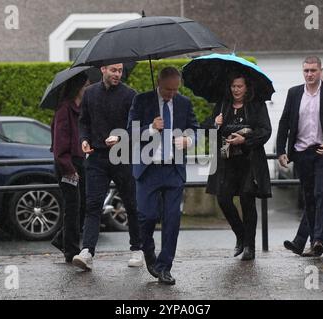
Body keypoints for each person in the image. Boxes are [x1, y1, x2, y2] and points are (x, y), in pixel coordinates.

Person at [127, 67, 199, 285]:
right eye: (168, 89)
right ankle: (149, 253)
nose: (172, 94)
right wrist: (150, 128)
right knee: (146, 217)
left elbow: (194, 128)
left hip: (173, 170)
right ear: (159, 83)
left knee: (172, 220)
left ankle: (164, 267)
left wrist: (189, 140)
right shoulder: (141, 101)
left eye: (176, 89)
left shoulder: (184, 103)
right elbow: (129, 133)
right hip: (148, 170)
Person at [276, 56, 323, 257]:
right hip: (302, 154)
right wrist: (280, 150)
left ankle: (317, 240)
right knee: (311, 197)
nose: (309, 74)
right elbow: (284, 122)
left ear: (320, 71)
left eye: (313, 70)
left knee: (320, 194)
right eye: (306, 71)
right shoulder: (294, 93)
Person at [71, 63, 143, 271]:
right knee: (93, 204)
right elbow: (83, 122)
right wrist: (84, 140)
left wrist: (121, 136)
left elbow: (136, 127)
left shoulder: (131, 95)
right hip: (96, 157)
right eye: (113, 70)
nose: (117, 74)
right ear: (103, 69)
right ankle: (87, 252)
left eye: (120, 71)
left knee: (131, 204)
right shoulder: (90, 93)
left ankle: (137, 250)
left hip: (123, 155)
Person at [205, 74, 272, 261]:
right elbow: (206, 131)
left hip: (249, 161)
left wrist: (245, 139)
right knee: (223, 198)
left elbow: (265, 131)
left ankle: (250, 246)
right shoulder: (222, 106)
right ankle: (241, 235)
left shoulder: (257, 105)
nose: (236, 90)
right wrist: (214, 124)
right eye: (233, 86)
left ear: (247, 87)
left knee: (247, 199)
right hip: (227, 162)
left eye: (239, 86)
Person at [50, 71, 92, 263]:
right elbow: (60, 145)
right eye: (86, 86)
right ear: (78, 88)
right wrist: (69, 169)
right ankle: (71, 251)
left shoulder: (81, 109)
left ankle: (62, 239)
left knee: (82, 206)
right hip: (68, 165)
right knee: (73, 207)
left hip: (80, 162)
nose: (89, 89)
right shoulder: (64, 110)